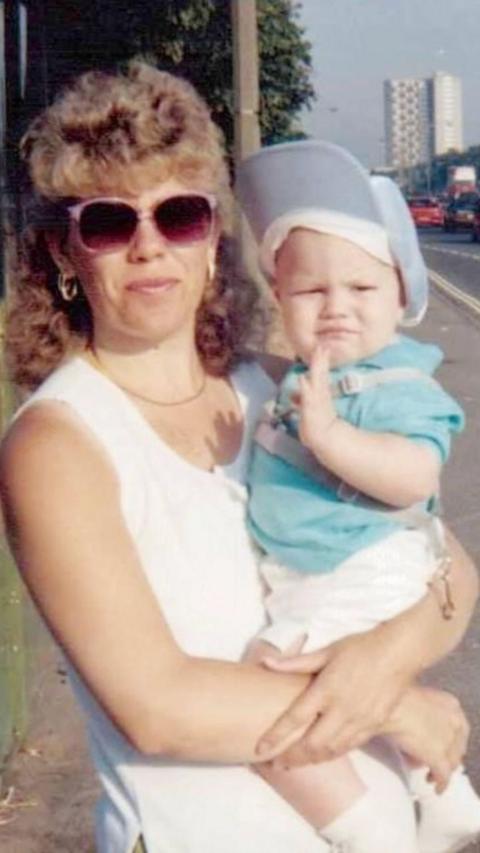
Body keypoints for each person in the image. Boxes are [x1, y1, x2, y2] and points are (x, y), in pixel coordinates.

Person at [0, 62, 476, 853]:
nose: (149, 247)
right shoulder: (59, 442)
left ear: (213, 240)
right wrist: (393, 706)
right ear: (62, 251)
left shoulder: (280, 392)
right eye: (110, 222)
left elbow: (448, 567)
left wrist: (379, 662)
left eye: (179, 214)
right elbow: (159, 705)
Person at [237, 139, 480, 853]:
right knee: (325, 693)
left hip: (362, 568)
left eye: (362, 290)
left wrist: (330, 436)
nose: (336, 308)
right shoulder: (299, 376)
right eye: (312, 292)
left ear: (401, 297)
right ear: (280, 299)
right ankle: (445, 797)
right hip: (317, 571)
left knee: (265, 688)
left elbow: (415, 477)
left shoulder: (396, 383)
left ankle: (369, 834)